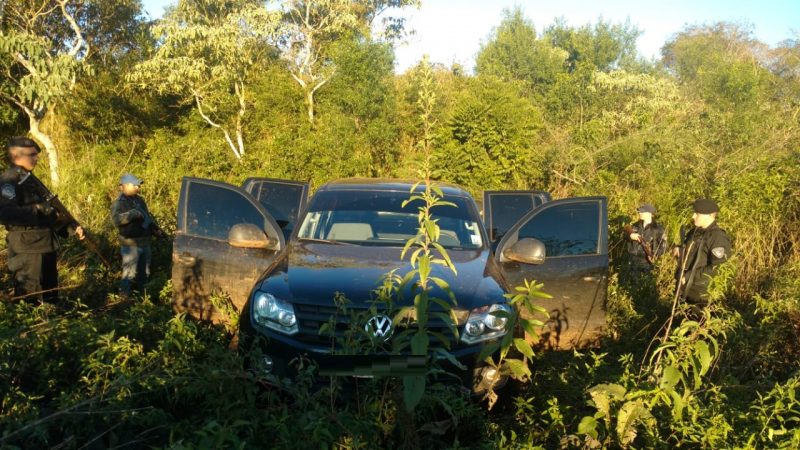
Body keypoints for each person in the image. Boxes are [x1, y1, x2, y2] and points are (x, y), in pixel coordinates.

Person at [0, 136, 84, 302]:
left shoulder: (29, 178)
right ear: (17, 156)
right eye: (32, 154)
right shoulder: (8, 180)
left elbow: (51, 212)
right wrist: (37, 209)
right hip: (27, 247)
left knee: (50, 294)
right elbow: (5, 213)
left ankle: (53, 323)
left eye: (36, 154)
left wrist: (70, 227)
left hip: (45, 244)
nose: (36, 158)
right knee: (31, 298)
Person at [110, 173, 164, 296]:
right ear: (125, 186)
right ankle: (124, 299)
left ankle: (142, 300)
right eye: (135, 185)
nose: (138, 187)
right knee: (129, 274)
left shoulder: (140, 200)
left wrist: (156, 230)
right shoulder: (119, 203)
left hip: (145, 242)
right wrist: (132, 214)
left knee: (144, 274)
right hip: (131, 245)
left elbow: (147, 219)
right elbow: (116, 220)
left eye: (138, 185)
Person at [675, 198, 732, 308]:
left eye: (697, 213)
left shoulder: (717, 237)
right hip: (684, 289)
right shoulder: (695, 232)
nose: (693, 216)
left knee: (696, 322)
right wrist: (678, 249)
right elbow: (691, 252)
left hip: (701, 294)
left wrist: (688, 276)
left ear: (709, 215)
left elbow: (718, 267)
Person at [625, 203, 668, 269]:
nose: (639, 212)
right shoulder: (635, 225)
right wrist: (630, 236)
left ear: (649, 214)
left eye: (642, 211)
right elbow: (624, 236)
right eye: (639, 211)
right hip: (631, 261)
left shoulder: (658, 229)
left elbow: (664, 246)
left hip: (646, 263)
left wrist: (655, 255)